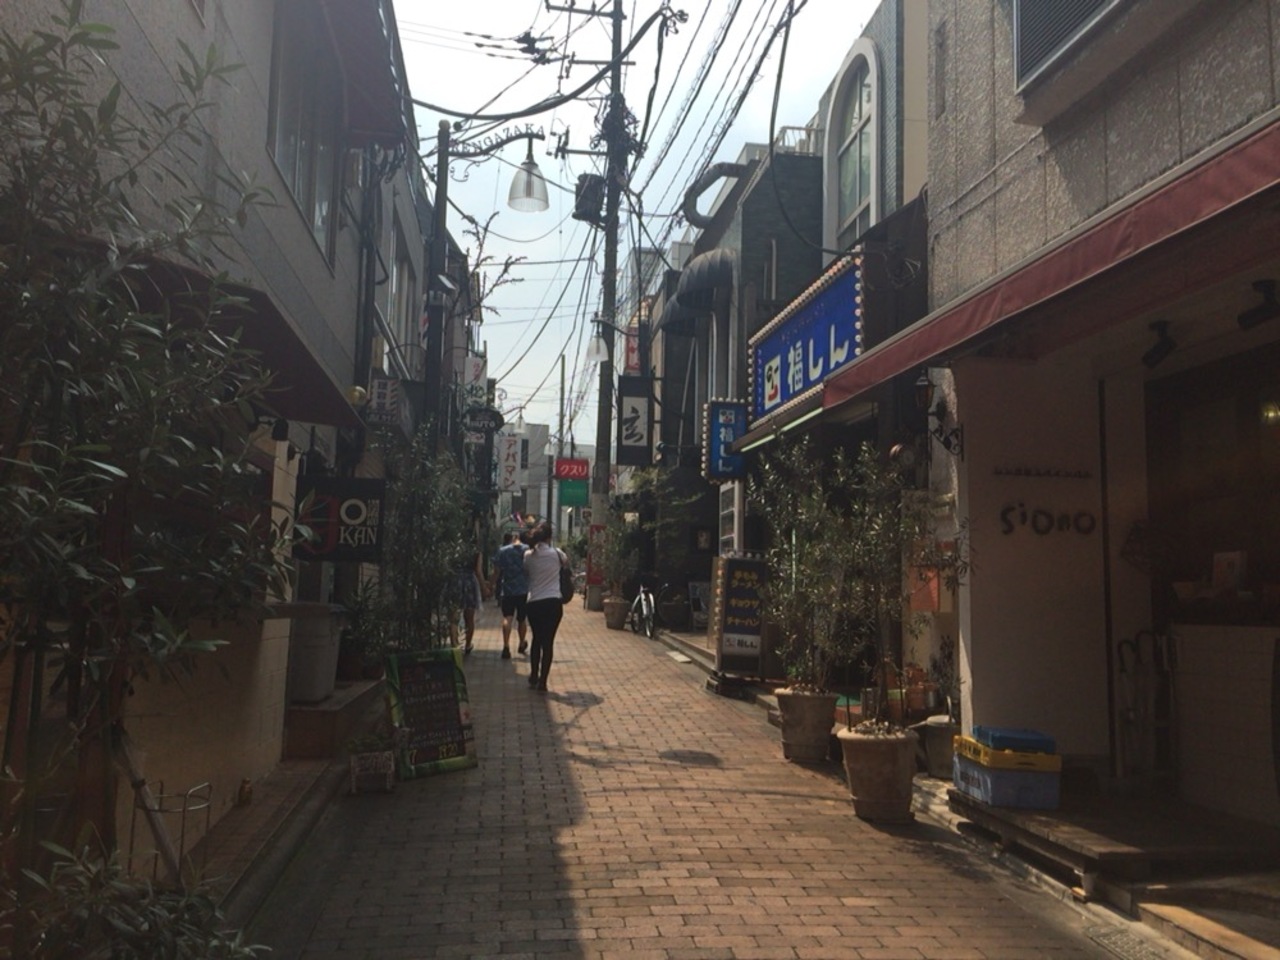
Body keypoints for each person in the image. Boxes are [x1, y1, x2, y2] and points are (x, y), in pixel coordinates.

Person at [523, 521, 568, 692]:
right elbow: (566, 565)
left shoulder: (528, 555)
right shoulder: (558, 554)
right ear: (550, 537)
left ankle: (534, 675)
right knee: (548, 642)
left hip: (534, 602)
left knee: (536, 639)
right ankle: (543, 681)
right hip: (553, 602)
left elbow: (526, 572)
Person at [491, 531, 529, 659]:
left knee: (507, 617)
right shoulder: (527, 550)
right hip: (523, 589)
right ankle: (521, 643)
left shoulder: (503, 551)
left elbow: (497, 571)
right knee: (522, 619)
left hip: (508, 589)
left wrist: (491, 585)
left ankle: (506, 646)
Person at [452, 549, 487, 655]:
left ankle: (454, 645)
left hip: (455, 581)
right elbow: (478, 571)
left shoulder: (454, 548)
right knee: (469, 618)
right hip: (470, 583)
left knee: (454, 617)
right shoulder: (476, 551)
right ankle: (468, 644)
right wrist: (484, 587)